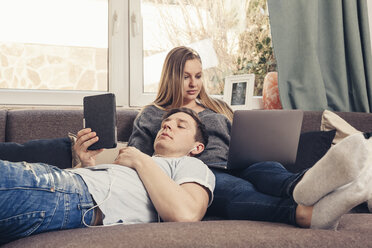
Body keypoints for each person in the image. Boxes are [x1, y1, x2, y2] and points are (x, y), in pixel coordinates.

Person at [75, 45, 370, 230]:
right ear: (171, 77)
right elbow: (137, 155)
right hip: (200, 173)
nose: (194, 83)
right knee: (239, 193)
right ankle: (308, 213)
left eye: (199, 76)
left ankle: (302, 186)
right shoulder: (153, 113)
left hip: (239, 162)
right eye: (186, 76)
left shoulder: (218, 107)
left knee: (266, 169)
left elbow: (241, 139)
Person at [0, 108, 215, 245]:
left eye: (180, 125)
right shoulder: (144, 164)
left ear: (197, 147)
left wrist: (140, 159)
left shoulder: (192, 165)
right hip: (68, 186)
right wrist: (86, 164)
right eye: (166, 123)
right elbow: (105, 190)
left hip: (72, 195)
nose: (167, 125)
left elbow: (186, 214)